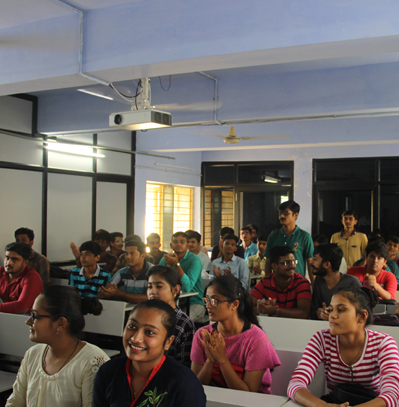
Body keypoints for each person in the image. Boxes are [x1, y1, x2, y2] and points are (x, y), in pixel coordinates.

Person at [287, 287, 399, 407]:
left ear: (361, 316)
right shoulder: (321, 339)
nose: (332, 315)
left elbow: (392, 395)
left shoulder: (383, 343)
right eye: (331, 309)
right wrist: (323, 406)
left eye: (340, 310)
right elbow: (295, 384)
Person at [6, 285, 109, 407]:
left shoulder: (92, 362)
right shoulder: (32, 354)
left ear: (60, 323)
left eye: (35, 316)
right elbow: (14, 403)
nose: (28, 322)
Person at [93, 299, 206, 407]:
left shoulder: (185, 384)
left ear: (168, 342)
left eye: (149, 332)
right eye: (132, 326)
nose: (135, 338)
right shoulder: (108, 372)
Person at [191, 275, 280, 393]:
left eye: (215, 300)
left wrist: (222, 359)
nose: (208, 305)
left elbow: (248, 393)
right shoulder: (202, 335)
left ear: (234, 304)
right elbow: (195, 388)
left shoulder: (256, 339)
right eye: (206, 300)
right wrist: (210, 361)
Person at [147, 265, 195, 367]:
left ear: (176, 290)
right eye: (149, 286)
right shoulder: (143, 317)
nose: (152, 291)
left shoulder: (183, 322)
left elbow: (184, 364)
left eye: (159, 286)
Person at [250, 246, 312, 319]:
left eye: (294, 261)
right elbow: (247, 303)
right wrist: (259, 309)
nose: (292, 265)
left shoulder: (301, 282)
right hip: (273, 326)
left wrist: (276, 311)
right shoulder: (266, 282)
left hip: (297, 326)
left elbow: (304, 313)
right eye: (287, 262)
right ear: (275, 266)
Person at [159, 232, 204, 322]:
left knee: (180, 321)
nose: (178, 244)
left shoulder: (194, 260)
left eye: (182, 242)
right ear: (171, 245)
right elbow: (159, 281)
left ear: (187, 245)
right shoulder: (166, 259)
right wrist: (168, 266)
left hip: (193, 302)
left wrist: (177, 264)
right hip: (171, 301)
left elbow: (187, 287)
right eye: (175, 242)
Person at [264, 200, 314, 280]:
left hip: (297, 284)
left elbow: (310, 262)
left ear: (296, 215)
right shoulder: (273, 236)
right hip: (277, 284)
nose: (281, 216)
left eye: (286, 213)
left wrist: (314, 286)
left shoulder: (304, 236)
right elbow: (268, 262)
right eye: (280, 213)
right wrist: (267, 283)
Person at [310, 243, 361, 320]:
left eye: (315, 259)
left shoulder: (352, 283)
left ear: (327, 264)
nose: (311, 262)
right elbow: (314, 310)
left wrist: (335, 316)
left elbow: (360, 313)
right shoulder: (319, 281)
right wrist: (319, 313)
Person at [99, 239, 153, 303]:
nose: (128, 257)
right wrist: (108, 292)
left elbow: (149, 298)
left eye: (132, 254)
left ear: (142, 256)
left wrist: (119, 294)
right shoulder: (122, 272)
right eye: (126, 253)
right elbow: (106, 292)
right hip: (128, 310)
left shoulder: (153, 272)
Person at [0, 242, 43, 314]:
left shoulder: (32, 277)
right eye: (7, 258)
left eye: (14, 259)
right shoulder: (1, 272)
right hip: (8, 317)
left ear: (25, 263)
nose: (9, 262)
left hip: (29, 321)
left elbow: (22, 307)